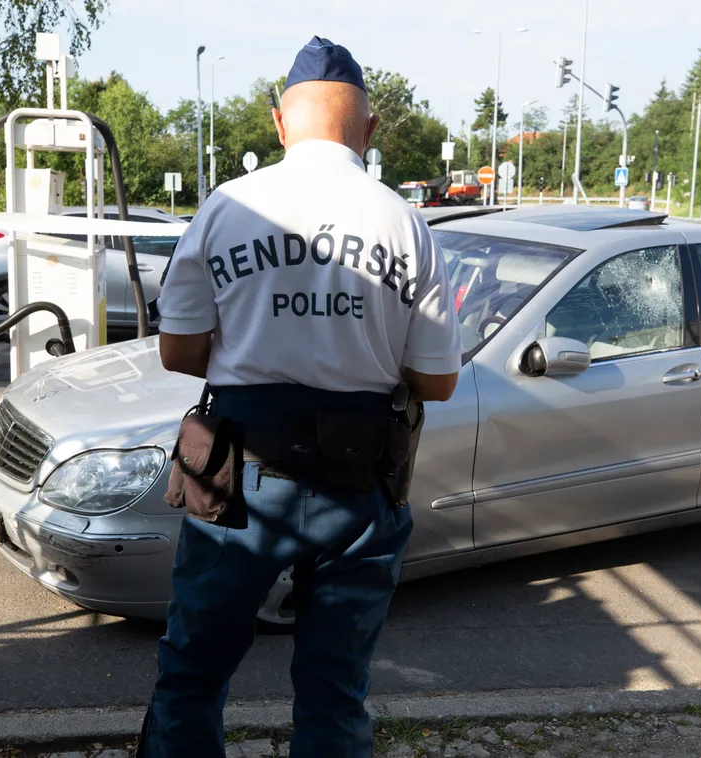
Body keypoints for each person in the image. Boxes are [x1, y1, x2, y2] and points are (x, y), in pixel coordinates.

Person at [139, 37, 461, 757]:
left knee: (192, 674)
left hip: (239, 479)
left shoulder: (226, 208)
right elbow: (437, 381)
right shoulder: (407, 222)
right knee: (333, 688)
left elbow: (177, 352)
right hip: (359, 478)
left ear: (279, 125)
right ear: (370, 132)